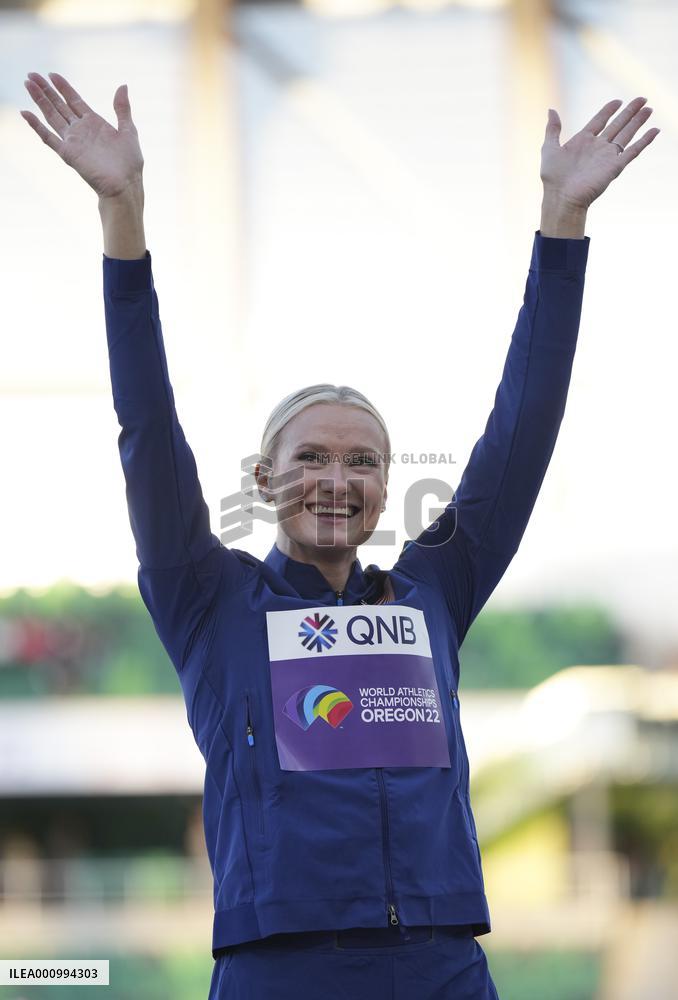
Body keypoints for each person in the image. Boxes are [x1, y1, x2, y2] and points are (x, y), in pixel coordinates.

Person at [21, 71, 659, 1000]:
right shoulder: (211, 602)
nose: (337, 478)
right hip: (279, 966)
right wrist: (125, 212)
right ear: (265, 479)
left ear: (385, 487)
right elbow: (147, 427)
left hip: (443, 961)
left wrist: (561, 223)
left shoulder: (433, 591)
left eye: (363, 462)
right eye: (312, 456)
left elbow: (523, 432)